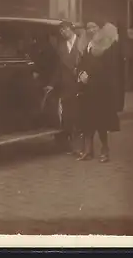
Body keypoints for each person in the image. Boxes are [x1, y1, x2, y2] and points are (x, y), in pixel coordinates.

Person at [76, 22, 124, 163]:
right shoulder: (86, 45)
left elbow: (108, 69)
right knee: (87, 122)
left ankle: (105, 150)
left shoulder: (106, 45)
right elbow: (81, 63)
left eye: (94, 27)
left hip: (100, 90)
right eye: (88, 28)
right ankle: (88, 151)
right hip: (87, 90)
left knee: (101, 122)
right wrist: (81, 74)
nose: (91, 30)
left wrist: (90, 78)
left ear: (99, 29)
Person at [44, 21, 83, 154]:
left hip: (81, 84)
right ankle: (70, 145)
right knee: (67, 114)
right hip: (66, 85)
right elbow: (58, 69)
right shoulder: (61, 47)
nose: (63, 32)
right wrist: (51, 84)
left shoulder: (82, 43)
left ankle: (80, 146)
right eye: (61, 31)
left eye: (65, 29)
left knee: (79, 115)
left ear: (71, 29)